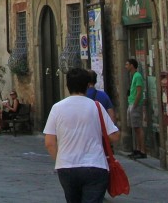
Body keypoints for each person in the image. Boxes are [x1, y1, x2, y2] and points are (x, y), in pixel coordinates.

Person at [44, 67, 120, 203]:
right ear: (87, 86)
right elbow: (114, 136)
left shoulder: (57, 108)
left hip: (67, 167)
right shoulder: (96, 106)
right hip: (95, 165)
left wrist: (60, 160)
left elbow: (49, 142)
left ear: (68, 86)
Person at [125, 58, 146, 158]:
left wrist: (135, 105)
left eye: (127, 64)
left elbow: (139, 91)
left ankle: (142, 150)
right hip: (132, 102)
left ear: (132, 65)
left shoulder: (137, 76)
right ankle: (137, 149)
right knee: (135, 127)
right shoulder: (134, 76)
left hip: (135, 104)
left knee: (138, 127)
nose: (126, 66)